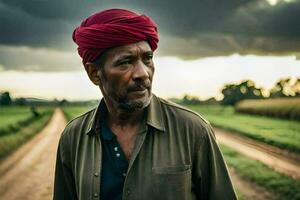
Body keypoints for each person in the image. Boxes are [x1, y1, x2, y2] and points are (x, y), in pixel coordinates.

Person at [53, 8, 237, 200]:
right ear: (94, 73)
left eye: (147, 58)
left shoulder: (193, 130)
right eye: (125, 62)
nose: (143, 73)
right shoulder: (73, 137)